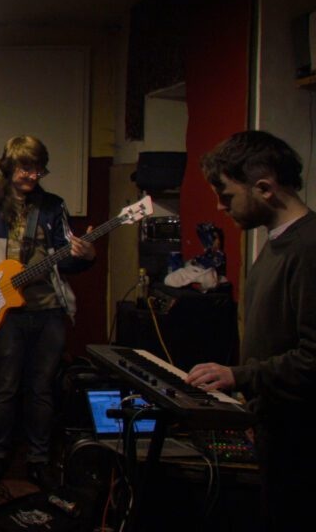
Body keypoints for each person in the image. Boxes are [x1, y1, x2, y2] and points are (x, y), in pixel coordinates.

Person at [185, 131, 316, 532]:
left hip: (302, 438)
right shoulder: (277, 243)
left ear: (265, 188)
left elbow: (313, 358)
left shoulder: (309, 248)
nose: (220, 207)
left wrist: (239, 376)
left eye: (226, 195)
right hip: (276, 426)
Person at [0, 136, 95, 490]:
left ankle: (39, 460)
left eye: (38, 169)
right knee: (4, 386)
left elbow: (68, 261)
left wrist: (86, 255)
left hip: (48, 309)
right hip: (3, 310)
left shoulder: (53, 206)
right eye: (25, 168)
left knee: (42, 389)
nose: (32, 176)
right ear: (9, 167)